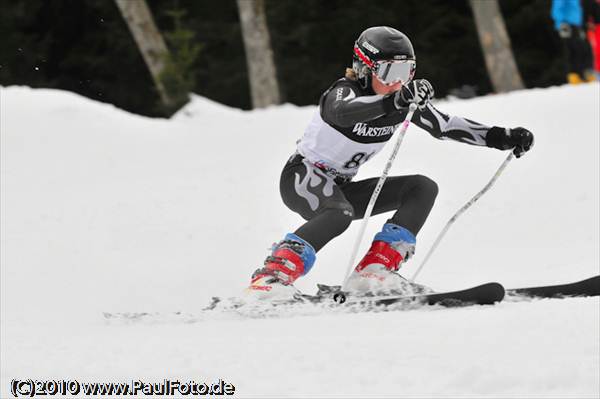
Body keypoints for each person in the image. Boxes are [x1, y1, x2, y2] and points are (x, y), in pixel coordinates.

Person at [247, 26, 535, 299]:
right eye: (388, 72)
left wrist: (501, 137)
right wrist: (393, 102)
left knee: (422, 188)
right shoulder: (344, 91)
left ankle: (375, 271)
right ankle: (271, 276)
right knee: (339, 214)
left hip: (341, 188)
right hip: (302, 178)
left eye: (405, 72)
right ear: (363, 68)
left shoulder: (399, 100)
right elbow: (342, 113)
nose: (397, 82)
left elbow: (444, 126)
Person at [551, 0, 597, 83]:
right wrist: (562, 23)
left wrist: (584, 23)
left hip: (577, 24)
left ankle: (584, 73)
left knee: (583, 48)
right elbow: (557, 9)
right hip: (568, 25)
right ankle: (574, 75)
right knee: (573, 50)